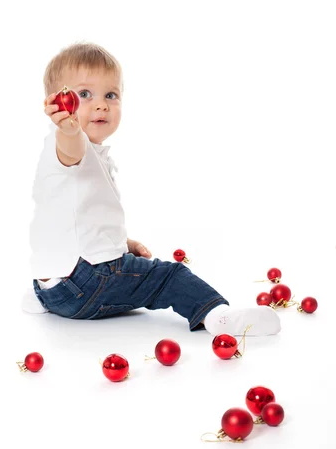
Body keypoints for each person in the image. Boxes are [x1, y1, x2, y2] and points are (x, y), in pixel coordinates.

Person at [24, 42, 281, 336]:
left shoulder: (83, 152)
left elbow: (79, 217)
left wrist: (120, 243)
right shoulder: (69, 142)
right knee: (169, 277)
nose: (101, 104)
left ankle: (47, 296)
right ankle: (217, 315)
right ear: (57, 102)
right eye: (84, 94)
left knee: (127, 272)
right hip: (88, 283)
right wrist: (68, 129)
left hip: (50, 289)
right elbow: (69, 149)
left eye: (111, 94)